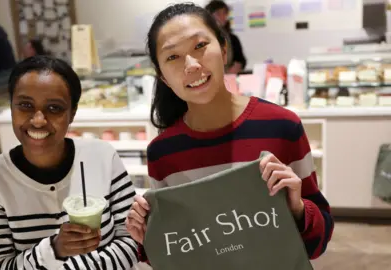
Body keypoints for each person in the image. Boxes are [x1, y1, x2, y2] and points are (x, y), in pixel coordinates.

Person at [125, 2, 333, 265]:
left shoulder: (282, 126)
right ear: (163, 77)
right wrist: (147, 238)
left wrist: (298, 209)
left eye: (200, 46)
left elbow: (319, 241)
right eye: (172, 57)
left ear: (224, 49)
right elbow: (182, 255)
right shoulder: (163, 153)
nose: (191, 65)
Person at [0, 55, 138, 269]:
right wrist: (54, 249)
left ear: (72, 114)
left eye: (54, 108)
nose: (38, 120)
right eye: (25, 105)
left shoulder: (102, 157)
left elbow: (133, 239)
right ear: (11, 108)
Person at [205, 0, 247, 74]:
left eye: (224, 13)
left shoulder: (233, 38)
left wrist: (236, 67)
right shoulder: (201, 38)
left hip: (229, 79)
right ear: (209, 16)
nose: (222, 17)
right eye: (218, 14)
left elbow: (241, 60)